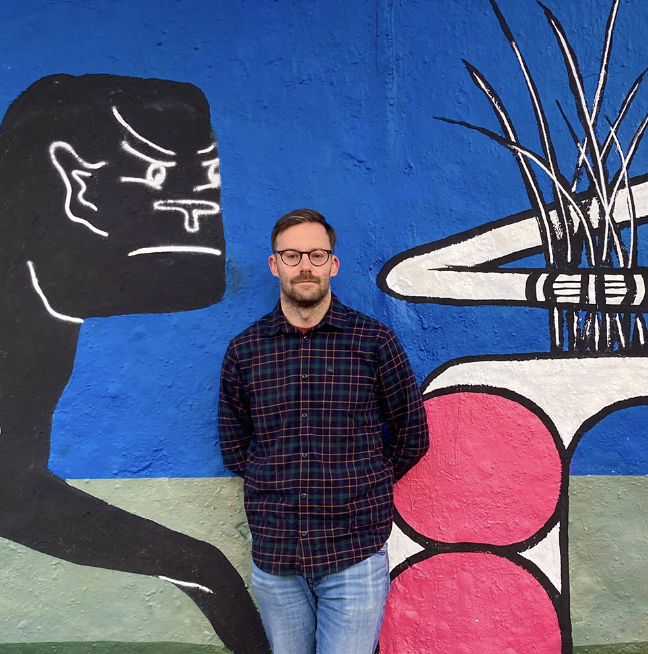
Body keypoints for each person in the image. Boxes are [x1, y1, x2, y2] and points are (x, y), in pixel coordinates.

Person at [0, 74, 269, 654]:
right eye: (156, 175)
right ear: (75, 186)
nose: (198, 211)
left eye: (206, 180)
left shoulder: (41, 305)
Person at [219, 208, 430, 653]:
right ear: (274, 265)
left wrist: (362, 483)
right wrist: (272, 483)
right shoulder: (245, 351)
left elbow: (412, 436)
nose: (305, 266)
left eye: (317, 254)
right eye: (292, 255)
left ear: (333, 264)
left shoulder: (374, 343)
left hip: (353, 553)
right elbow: (235, 445)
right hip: (277, 556)